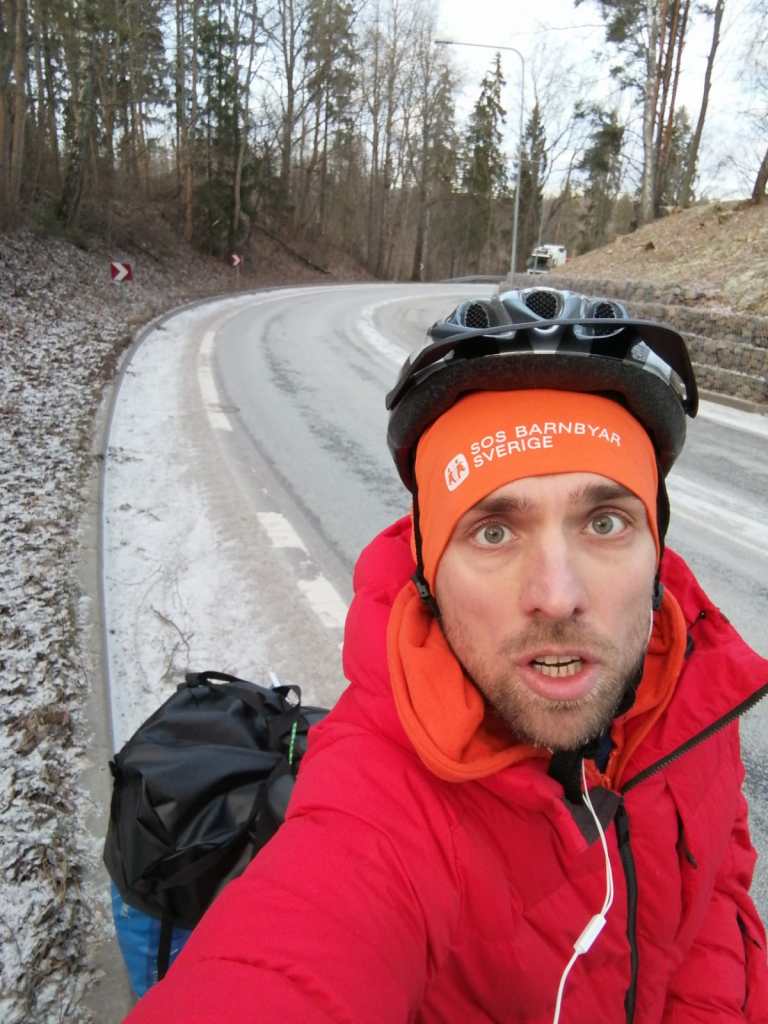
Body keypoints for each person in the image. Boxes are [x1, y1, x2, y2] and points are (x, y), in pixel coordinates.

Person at [125, 288, 768, 1023]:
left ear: (656, 551)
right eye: (494, 532)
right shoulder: (380, 800)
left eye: (604, 522)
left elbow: (716, 895)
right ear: (428, 573)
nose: (557, 596)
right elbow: (296, 951)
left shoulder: (688, 692)